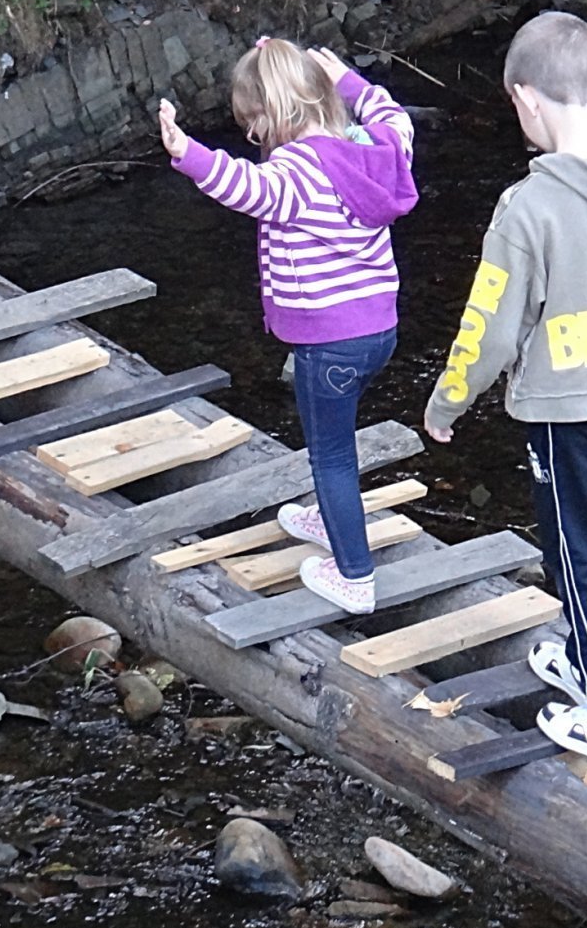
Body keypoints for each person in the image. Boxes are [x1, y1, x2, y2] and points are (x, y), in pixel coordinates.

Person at [422, 10, 587, 773]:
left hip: (569, 412)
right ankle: (584, 657)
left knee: (578, 558)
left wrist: (448, 401)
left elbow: (489, 328)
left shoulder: (526, 209)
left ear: (524, 100)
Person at [156, 39, 418, 613]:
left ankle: (354, 576)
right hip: (379, 331)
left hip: (327, 341)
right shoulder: (375, 148)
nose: (253, 136)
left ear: (273, 116)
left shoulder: (296, 169)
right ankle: (332, 518)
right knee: (334, 441)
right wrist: (348, 77)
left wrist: (188, 152)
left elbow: (247, 188)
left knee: (331, 455)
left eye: (253, 123)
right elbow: (394, 116)